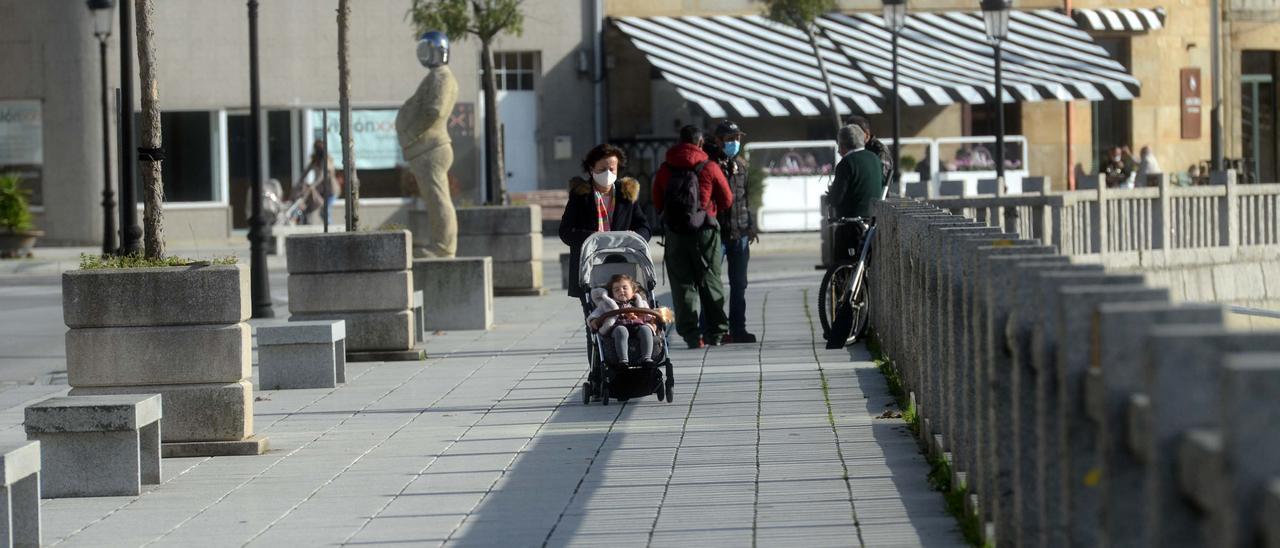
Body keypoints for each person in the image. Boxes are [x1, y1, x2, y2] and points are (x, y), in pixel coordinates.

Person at [652, 125, 733, 349]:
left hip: (675, 234)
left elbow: (657, 202)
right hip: (705, 232)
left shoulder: (665, 168)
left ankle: (691, 336)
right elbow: (727, 199)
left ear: (680, 141)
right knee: (710, 281)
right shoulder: (709, 166)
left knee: (682, 285)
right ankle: (716, 333)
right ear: (699, 143)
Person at [559, 144, 652, 301]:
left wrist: (634, 237)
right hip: (590, 266)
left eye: (612, 169)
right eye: (602, 169)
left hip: (622, 265)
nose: (608, 173)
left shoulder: (626, 194)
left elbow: (644, 227)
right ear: (591, 169)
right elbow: (566, 232)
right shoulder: (580, 196)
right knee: (595, 316)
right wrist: (593, 238)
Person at [396, 30, 459, 258]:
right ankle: (440, 243)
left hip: (431, 148)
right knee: (434, 200)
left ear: (440, 52)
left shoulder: (442, 78)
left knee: (438, 199)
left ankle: (443, 247)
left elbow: (435, 110)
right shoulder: (435, 76)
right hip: (425, 148)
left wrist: (411, 132)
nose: (424, 55)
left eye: (428, 50)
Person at [703, 120, 758, 343]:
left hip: (741, 233)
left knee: (739, 284)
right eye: (729, 139)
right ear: (718, 141)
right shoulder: (709, 165)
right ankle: (709, 329)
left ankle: (738, 328)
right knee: (712, 284)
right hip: (717, 234)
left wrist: (751, 225)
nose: (734, 143)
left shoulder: (741, 166)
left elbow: (745, 198)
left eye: (737, 139)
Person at [587, 274, 657, 367]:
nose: (621, 291)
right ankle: (623, 360)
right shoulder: (606, 305)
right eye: (617, 290)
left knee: (646, 329)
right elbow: (595, 314)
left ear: (633, 291)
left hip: (637, 326)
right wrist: (593, 321)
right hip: (616, 327)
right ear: (612, 294)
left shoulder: (640, 303)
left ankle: (647, 358)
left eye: (625, 288)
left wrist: (652, 320)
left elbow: (649, 315)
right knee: (621, 331)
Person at [829, 124, 885, 220]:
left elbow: (836, 199)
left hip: (851, 222)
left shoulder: (846, 163)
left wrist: (830, 195)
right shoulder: (875, 158)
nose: (838, 151)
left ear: (842, 144)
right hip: (874, 220)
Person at [295, 140, 338, 225]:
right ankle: (306, 221)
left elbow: (322, 176)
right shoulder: (315, 160)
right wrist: (299, 182)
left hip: (330, 191)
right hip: (321, 191)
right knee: (315, 209)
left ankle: (331, 230)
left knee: (325, 211)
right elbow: (306, 171)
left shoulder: (327, 160)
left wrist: (313, 185)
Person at [845, 115, 894, 185]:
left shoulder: (880, 151)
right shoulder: (854, 150)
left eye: (854, 134)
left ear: (866, 135)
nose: (849, 139)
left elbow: (882, 180)